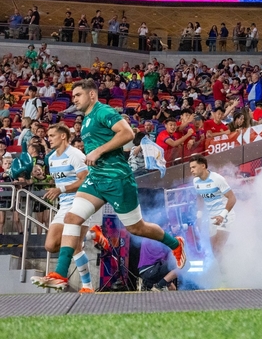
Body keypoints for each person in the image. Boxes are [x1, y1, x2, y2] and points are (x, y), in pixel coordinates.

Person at [30, 79, 186, 291]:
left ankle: (175, 244)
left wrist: (98, 151)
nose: (74, 99)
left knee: (137, 228)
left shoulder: (103, 111)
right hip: (95, 179)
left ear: (91, 95)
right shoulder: (86, 119)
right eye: (73, 96)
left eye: (78, 95)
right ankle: (60, 274)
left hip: (116, 179)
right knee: (72, 218)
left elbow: (128, 133)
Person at [38, 124, 97, 292]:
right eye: (48, 135)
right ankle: (92, 235)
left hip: (80, 202)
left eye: (52, 135)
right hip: (63, 204)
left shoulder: (76, 155)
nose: (49, 139)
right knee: (50, 245)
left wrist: (61, 189)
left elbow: (85, 180)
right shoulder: (51, 158)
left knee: (75, 246)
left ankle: (87, 286)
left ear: (63, 136)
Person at [190, 156, 237, 263]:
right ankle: (231, 253)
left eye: (194, 167)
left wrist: (222, 215)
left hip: (225, 216)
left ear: (203, 166)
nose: (191, 170)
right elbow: (200, 197)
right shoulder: (196, 181)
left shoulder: (217, 179)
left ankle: (229, 270)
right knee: (215, 252)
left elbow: (232, 198)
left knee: (218, 247)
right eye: (190, 168)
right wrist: (199, 216)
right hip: (212, 218)